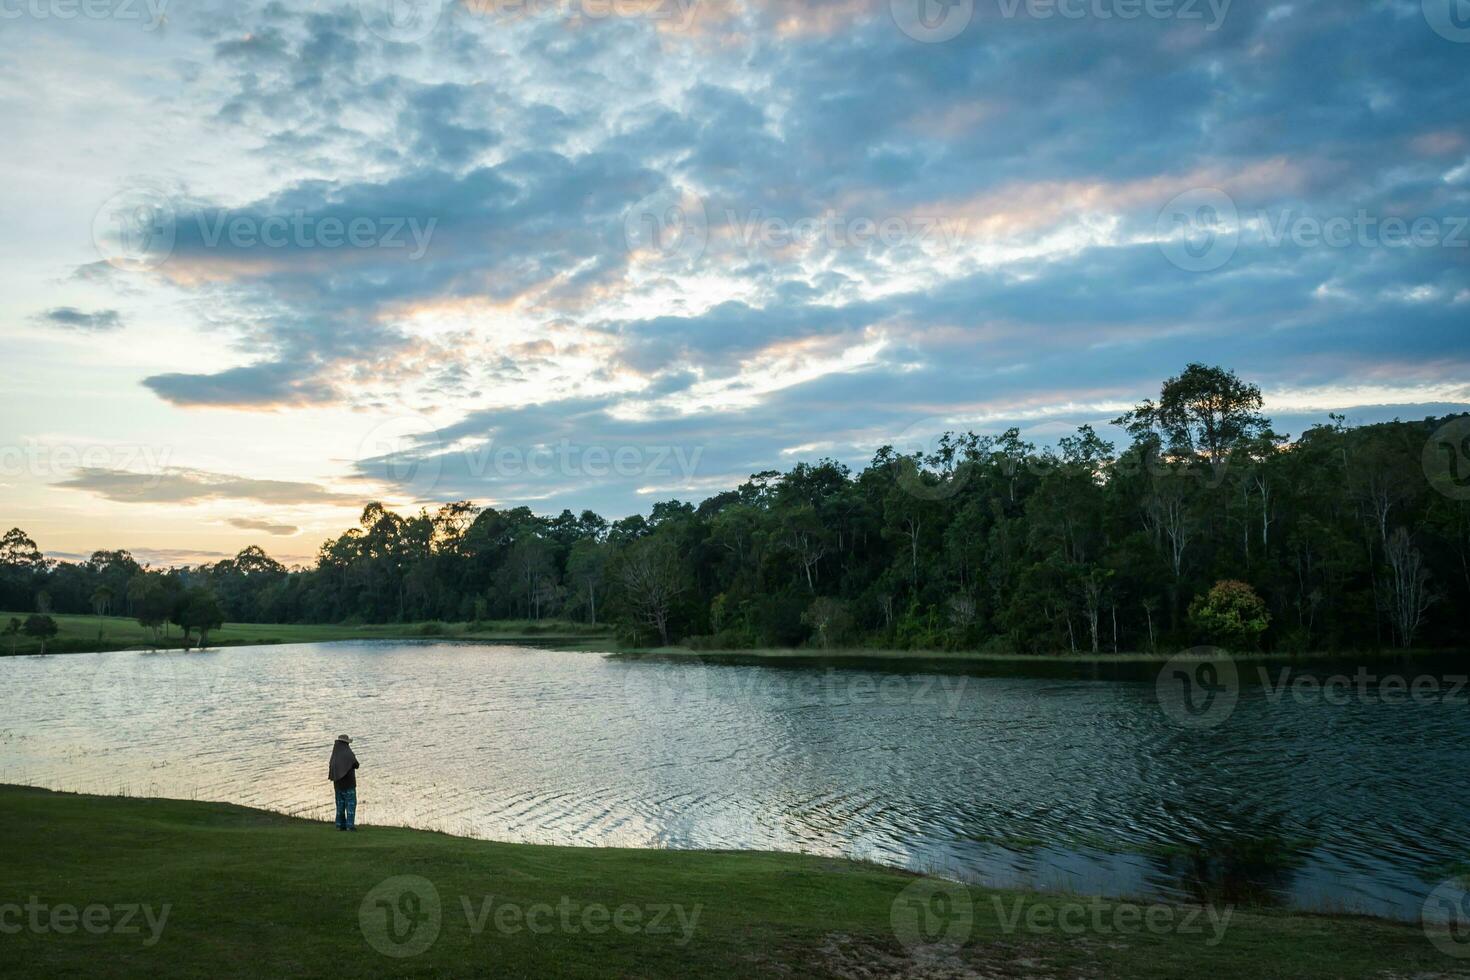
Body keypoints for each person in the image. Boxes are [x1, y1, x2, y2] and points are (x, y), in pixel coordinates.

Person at [328, 735, 360, 831]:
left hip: (337, 785)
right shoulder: (348, 753)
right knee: (350, 804)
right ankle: (350, 826)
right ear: (346, 743)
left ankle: (339, 825)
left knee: (340, 805)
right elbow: (356, 764)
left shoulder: (334, 755)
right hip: (349, 784)